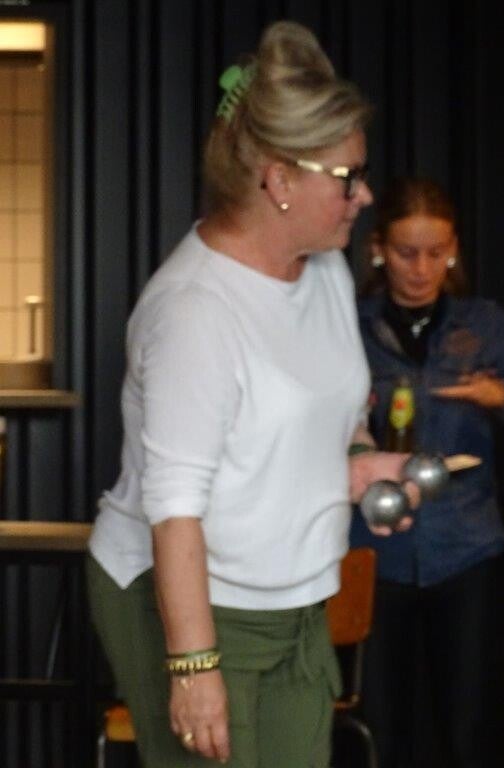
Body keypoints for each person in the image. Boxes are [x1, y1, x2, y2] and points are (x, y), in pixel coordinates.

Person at [86, 21, 417, 768]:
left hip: (292, 597)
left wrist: (361, 462)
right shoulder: (195, 312)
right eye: (348, 177)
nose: (364, 195)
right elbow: (175, 509)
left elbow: (335, 415)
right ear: (278, 180)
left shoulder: (323, 269)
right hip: (186, 598)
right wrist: (193, 669)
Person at [351, 177, 504, 768]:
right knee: (376, 727)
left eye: (436, 253)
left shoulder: (486, 323)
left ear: (454, 250)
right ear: (377, 250)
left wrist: (501, 398)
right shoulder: (347, 324)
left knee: (467, 729)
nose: (421, 269)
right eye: (405, 252)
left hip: (466, 549)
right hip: (372, 551)